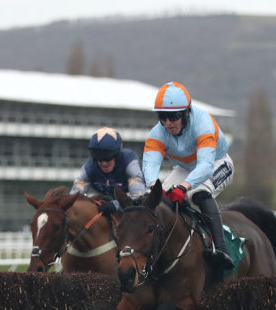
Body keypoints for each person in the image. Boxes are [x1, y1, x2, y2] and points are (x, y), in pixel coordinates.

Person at [142, 81, 235, 269]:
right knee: (157, 202)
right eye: (163, 117)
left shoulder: (203, 123)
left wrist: (184, 187)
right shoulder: (157, 133)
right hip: (185, 168)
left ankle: (221, 248)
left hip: (217, 163)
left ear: (186, 112)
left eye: (173, 116)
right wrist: (153, 187)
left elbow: (206, 165)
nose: (168, 123)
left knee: (198, 193)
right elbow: (150, 165)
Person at [70, 127, 146, 214]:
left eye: (108, 159)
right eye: (99, 159)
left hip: (132, 202)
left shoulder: (131, 164)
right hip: (106, 200)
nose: (104, 164)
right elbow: (73, 197)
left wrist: (116, 205)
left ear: (117, 155)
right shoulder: (89, 167)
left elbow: (138, 200)